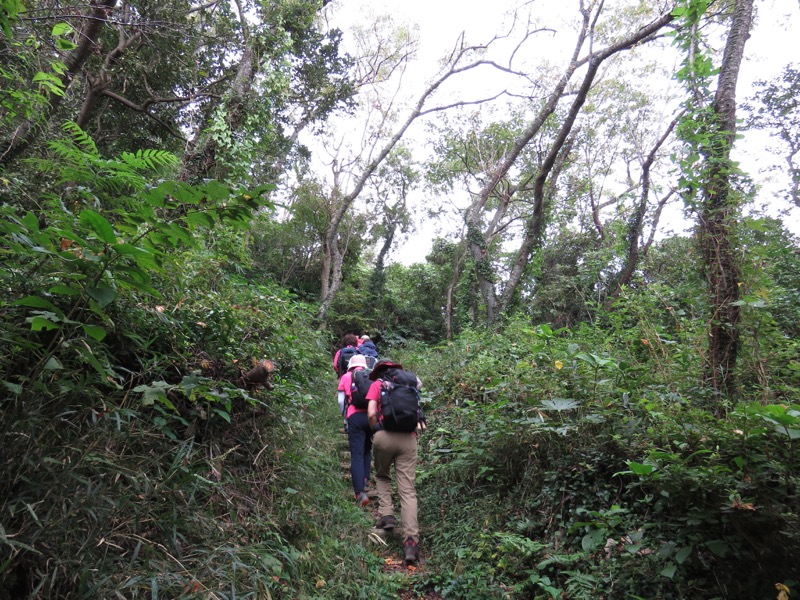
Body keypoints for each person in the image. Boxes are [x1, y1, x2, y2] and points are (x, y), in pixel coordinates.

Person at [366, 359, 424, 565]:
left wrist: (376, 430)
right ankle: (410, 542)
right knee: (408, 490)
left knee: (382, 475)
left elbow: (372, 413)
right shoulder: (409, 384)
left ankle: (387, 516)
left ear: (379, 371)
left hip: (384, 436)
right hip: (409, 438)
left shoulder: (377, 384)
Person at [338, 354, 373, 507]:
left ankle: (360, 492)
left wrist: (345, 417)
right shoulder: (371, 375)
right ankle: (366, 478)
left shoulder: (346, 376)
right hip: (371, 417)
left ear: (350, 364)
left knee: (356, 453)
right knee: (367, 449)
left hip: (355, 416)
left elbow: (341, 400)